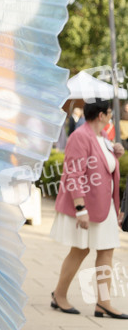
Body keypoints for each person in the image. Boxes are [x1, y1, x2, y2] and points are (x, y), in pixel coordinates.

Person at [50, 99, 127, 319]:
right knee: (80, 250)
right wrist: (80, 208)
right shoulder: (80, 136)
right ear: (101, 115)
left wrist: (115, 154)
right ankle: (59, 295)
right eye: (109, 113)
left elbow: (101, 167)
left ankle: (103, 303)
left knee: (107, 251)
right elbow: (73, 174)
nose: (111, 117)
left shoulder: (102, 137)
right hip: (87, 205)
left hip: (105, 207)